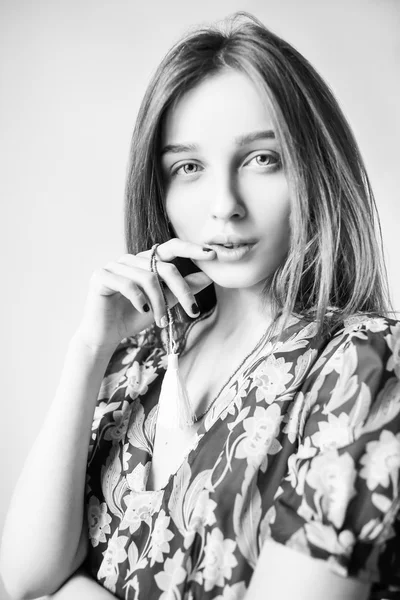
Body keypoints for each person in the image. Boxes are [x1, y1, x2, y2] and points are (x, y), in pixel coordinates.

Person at [1, 11, 399, 600]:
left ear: (312, 168)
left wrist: (75, 594)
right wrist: (89, 351)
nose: (224, 205)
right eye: (188, 167)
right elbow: (24, 579)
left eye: (262, 158)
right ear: (158, 189)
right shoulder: (138, 361)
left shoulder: (365, 362)